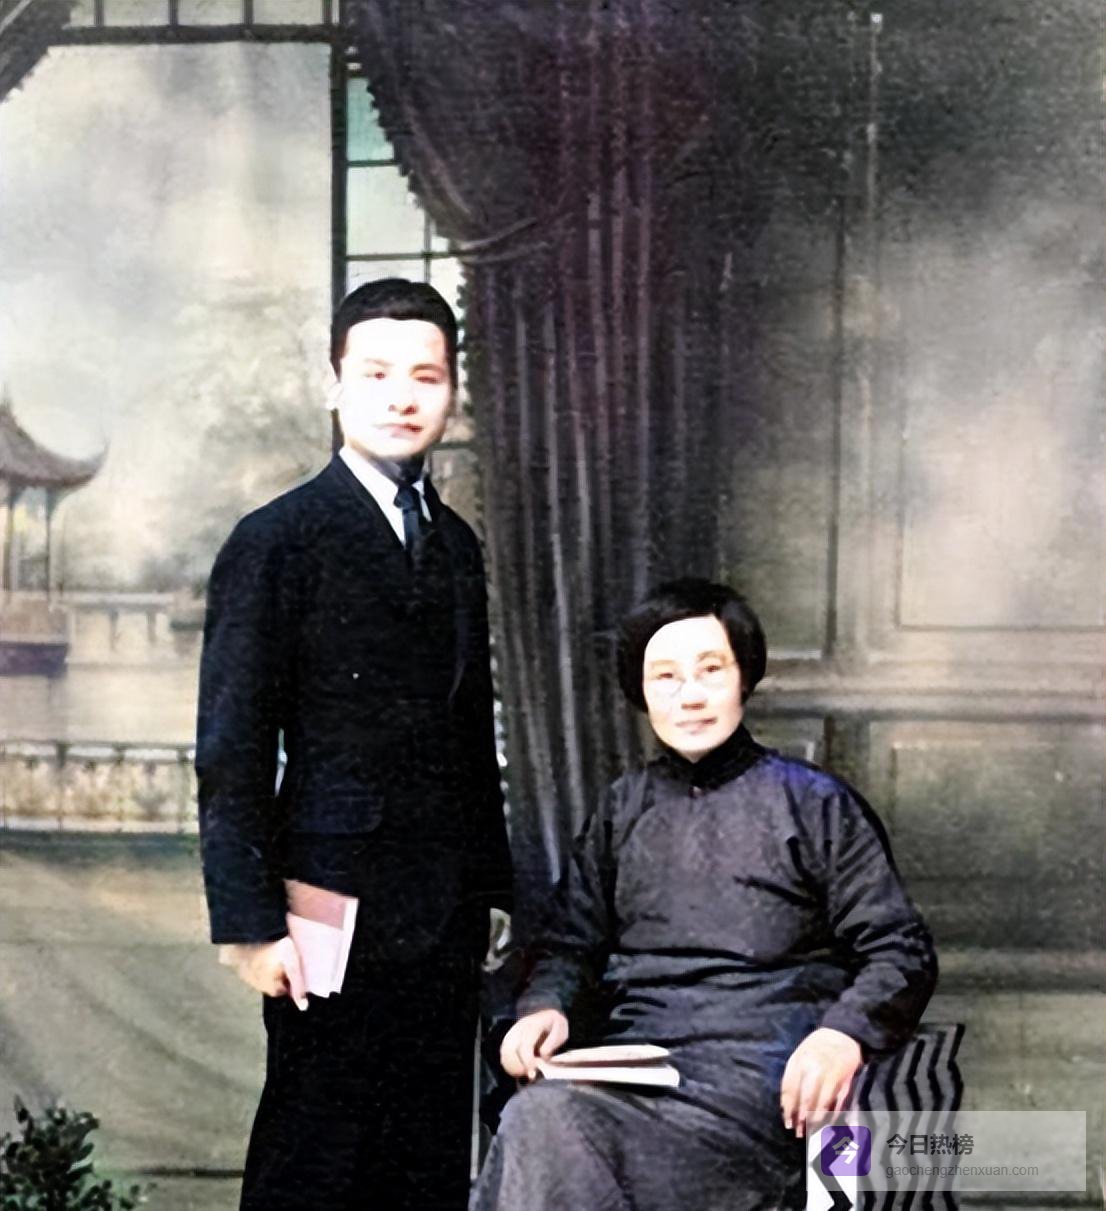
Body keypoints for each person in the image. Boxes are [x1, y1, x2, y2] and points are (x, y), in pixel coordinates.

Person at [196, 278, 512, 1210]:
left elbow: (470, 732)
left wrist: (492, 890)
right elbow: (231, 751)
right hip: (324, 905)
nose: (401, 396)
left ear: (452, 393)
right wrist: (250, 925)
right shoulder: (278, 539)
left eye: (426, 376)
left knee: (426, 1158)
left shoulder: (456, 546)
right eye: (375, 373)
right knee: (315, 1157)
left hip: (446, 910)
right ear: (335, 385)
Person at [471, 579, 936, 1211]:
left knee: (550, 1129)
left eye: (710, 670)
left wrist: (842, 1036)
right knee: (543, 1116)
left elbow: (900, 949)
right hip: (631, 1066)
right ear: (641, 693)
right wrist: (544, 1007)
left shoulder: (814, 803)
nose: (689, 696)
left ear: (744, 678)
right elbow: (568, 946)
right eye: (665, 677)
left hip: (761, 1082)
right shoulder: (622, 809)